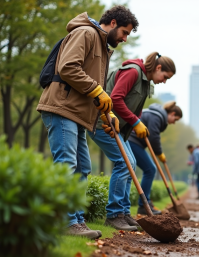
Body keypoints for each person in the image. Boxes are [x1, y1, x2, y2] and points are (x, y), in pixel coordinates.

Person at [36, 6, 138, 239]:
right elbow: (68, 68)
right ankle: (66, 221)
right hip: (62, 108)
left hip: (76, 113)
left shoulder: (102, 47)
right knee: (67, 165)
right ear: (112, 23)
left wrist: (106, 113)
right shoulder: (86, 33)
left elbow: (91, 88)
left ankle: (77, 221)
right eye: (124, 32)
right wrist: (98, 90)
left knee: (82, 168)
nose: (123, 39)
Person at [91, 52, 175, 229]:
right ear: (158, 68)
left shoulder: (145, 82)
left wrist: (137, 121)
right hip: (103, 122)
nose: (164, 81)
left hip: (120, 128)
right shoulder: (133, 72)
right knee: (124, 162)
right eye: (165, 77)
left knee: (132, 163)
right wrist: (136, 122)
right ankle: (113, 215)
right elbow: (115, 98)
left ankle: (124, 212)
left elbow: (135, 108)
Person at [128, 101, 182, 215]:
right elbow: (154, 137)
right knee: (150, 169)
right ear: (172, 113)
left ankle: (145, 203)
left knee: (149, 169)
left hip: (135, 142)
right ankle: (143, 205)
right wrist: (159, 153)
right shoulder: (156, 116)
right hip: (132, 141)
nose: (174, 123)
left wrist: (159, 154)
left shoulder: (158, 115)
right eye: (175, 119)